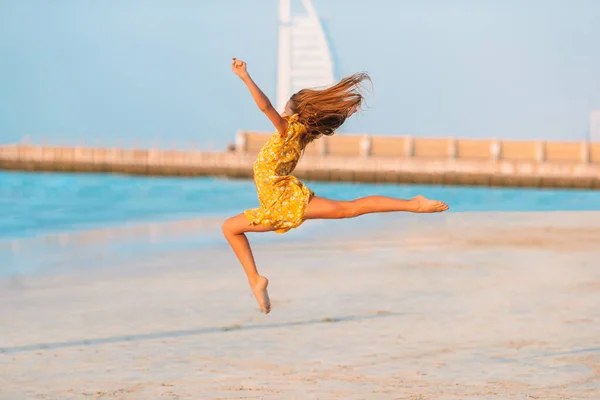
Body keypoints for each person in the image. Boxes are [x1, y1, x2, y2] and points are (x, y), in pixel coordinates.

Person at [222, 58, 449, 314]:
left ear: (294, 113)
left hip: (281, 199)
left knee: (231, 228)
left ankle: (254, 279)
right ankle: (255, 280)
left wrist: (245, 78)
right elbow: (297, 116)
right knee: (346, 209)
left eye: (286, 107)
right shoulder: (304, 133)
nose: (282, 111)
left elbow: (265, 107)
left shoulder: (289, 130)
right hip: (277, 201)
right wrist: (341, 112)